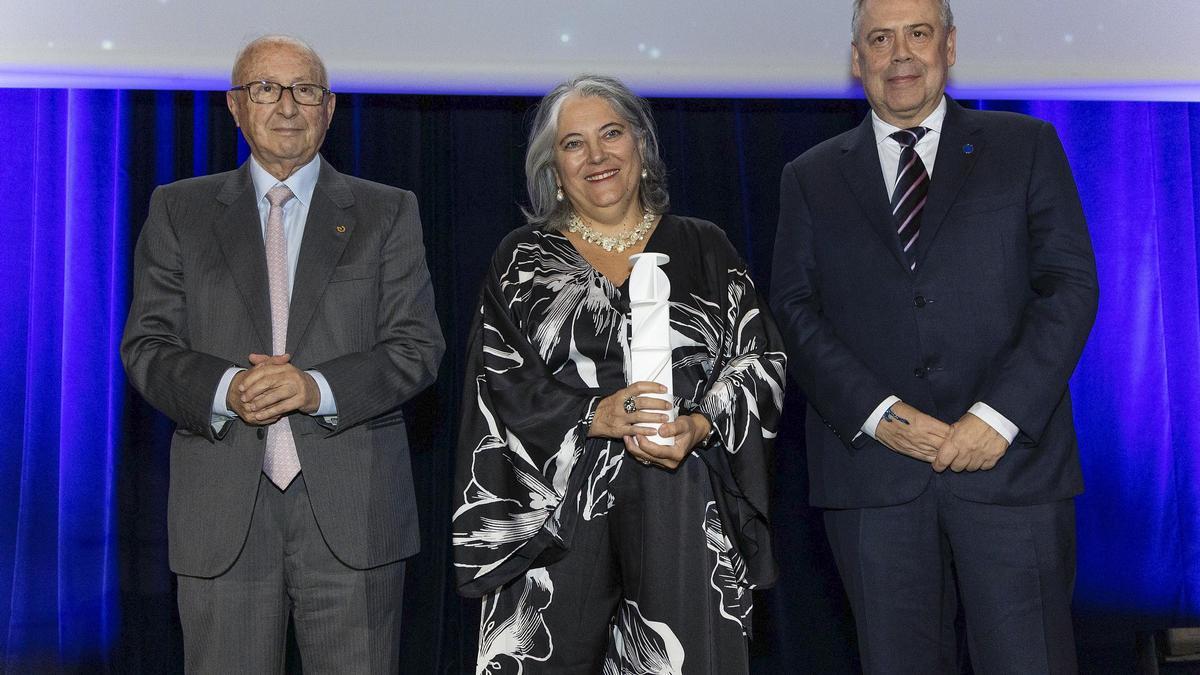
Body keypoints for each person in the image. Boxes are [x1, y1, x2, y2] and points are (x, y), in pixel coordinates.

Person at [770, 0, 1099, 672]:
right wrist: (879, 414)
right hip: (875, 479)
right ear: (857, 60)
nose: (900, 55)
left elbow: (1069, 288)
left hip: (1012, 470)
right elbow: (795, 310)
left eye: (917, 34)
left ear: (948, 46)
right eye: (880, 39)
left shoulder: (1025, 146)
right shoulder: (809, 176)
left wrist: (997, 417)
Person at [121, 35, 444, 672]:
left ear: (329, 109)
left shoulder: (387, 211)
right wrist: (227, 389)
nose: (288, 106)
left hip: (356, 515)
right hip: (221, 518)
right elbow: (148, 347)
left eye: (306, 91)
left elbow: (417, 348)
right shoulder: (179, 209)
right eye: (266, 89)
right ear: (235, 107)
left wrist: (313, 387)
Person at [451, 74, 786, 674]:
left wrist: (701, 425)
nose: (597, 156)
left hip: (684, 497)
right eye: (573, 144)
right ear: (553, 168)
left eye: (611, 134)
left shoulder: (705, 246)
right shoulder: (522, 258)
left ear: (642, 145)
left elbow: (759, 362)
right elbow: (496, 384)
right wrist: (593, 415)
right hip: (557, 511)